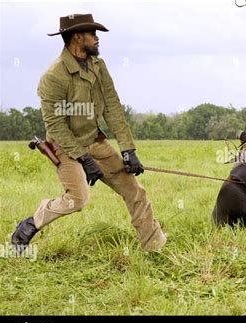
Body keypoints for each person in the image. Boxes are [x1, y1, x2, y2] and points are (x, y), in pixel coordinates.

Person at [11, 14, 166, 252]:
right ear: (76, 37)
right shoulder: (53, 76)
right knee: (78, 199)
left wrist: (128, 150)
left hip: (97, 142)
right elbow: (55, 127)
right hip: (67, 147)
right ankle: (32, 222)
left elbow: (113, 107)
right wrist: (84, 158)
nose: (97, 39)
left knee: (135, 191)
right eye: (92, 34)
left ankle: (154, 247)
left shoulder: (98, 66)